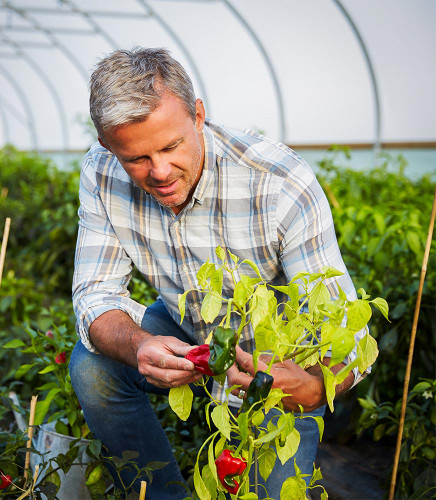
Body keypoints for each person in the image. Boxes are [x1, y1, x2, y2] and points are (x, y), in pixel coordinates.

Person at [70, 47, 367, 499]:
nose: (161, 172)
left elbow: (349, 330)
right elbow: (95, 291)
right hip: (187, 327)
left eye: (171, 146)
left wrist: (314, 385)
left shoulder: (279, 182)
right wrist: (140, 345)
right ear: (109, 146)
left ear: (199, 116)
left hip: (276, 364)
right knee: (92, 367)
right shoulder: (101, 170)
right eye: (137, 159)